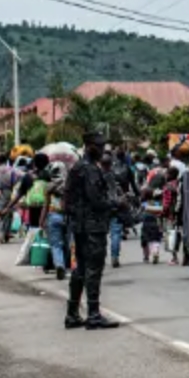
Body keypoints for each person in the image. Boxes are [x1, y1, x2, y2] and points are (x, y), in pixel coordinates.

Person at [64, 132, 120, 330]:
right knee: (93, 269)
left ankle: (72, 314)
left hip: (80, 225)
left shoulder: (77, 168)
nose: (103, 149)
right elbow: (96, 200)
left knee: (80, 269)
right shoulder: (89, 170)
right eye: (99, 145)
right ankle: (93, 314)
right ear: (89, 146)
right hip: (92, 226)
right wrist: (116, 204)